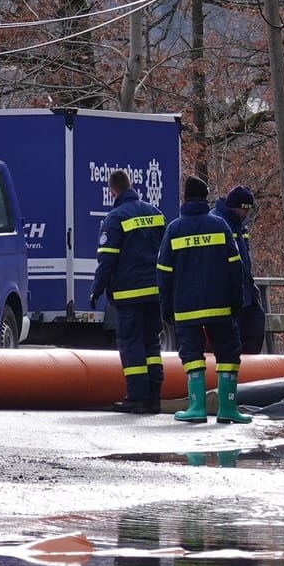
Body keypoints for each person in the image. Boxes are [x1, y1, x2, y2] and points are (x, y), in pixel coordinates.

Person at [158, 175, 250, 424]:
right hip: (219, 305)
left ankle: (197, 407)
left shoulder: (174, 229)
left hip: (186, 307)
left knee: (192, 353)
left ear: (185, 199)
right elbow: (235, 268)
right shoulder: (220, 226)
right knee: (228, 353)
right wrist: (236, 301)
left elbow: (164, 273)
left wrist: (166, 308)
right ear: (206, 197)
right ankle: (228, 406)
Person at [90, 168, 167, 413]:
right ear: (131, 185)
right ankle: (155, 396)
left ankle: (137, 397)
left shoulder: (115, 219)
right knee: (151, 344)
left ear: (113, 191)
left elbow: (107, 260)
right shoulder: (156, 213)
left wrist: (96, 290)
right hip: (154, 291)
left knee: (131, 343)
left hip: (128, 294)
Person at [214, 184, 267, 357]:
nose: (247, 215)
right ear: (239, 208)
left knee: (255, 327)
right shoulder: (218, 222)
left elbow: (244, 260)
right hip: (228, 294)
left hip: (245, 291)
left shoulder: (238, 225)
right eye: (246, 210)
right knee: (231, 341)